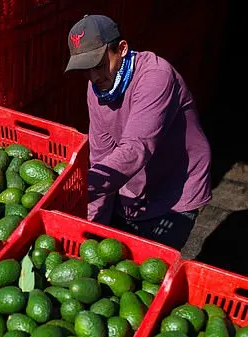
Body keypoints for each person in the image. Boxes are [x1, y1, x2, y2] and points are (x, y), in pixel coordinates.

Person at [65, 15, 212, 250]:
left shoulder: (155, 76)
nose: (94, 77)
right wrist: (90, 229)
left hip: (177, 186)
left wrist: (81, 185)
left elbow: (136, 148)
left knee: (152, 267)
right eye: (86, 70)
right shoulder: (96, 90)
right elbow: (101, 158)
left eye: (100, 66)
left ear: (122, 49)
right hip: (132, 186)